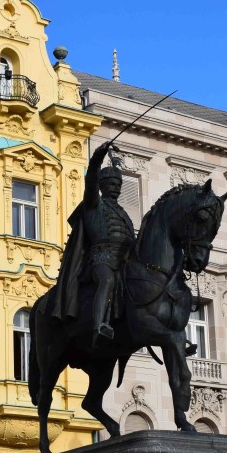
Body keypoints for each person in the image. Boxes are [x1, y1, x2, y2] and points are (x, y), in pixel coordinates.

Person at [48, 141, 135, 348]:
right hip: (100, 258)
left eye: (118, 185)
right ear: (103, 186)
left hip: (123, 260)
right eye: (112, 184)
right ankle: (99, 325)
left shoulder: (124, 215)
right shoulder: (94, 204)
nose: (116, 188)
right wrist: (98, 156)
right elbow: (90, 181)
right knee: (106, 281)